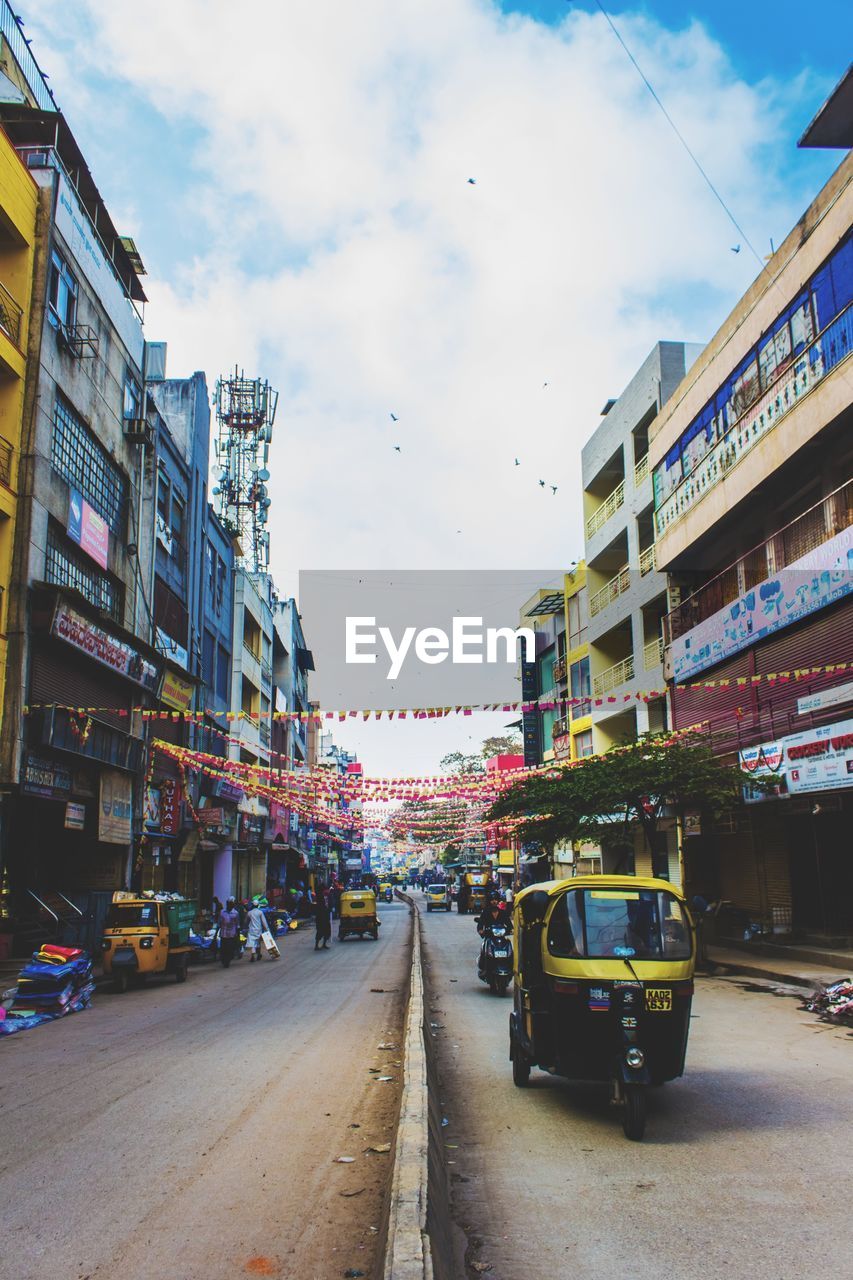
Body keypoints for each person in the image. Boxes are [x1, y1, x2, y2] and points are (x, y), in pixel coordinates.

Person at [218, 898, 240, 968]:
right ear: (227, 904)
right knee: (223, 948)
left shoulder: (236, 913)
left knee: (230, 948)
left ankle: (228, 960)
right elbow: (219, 923)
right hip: (223, 933)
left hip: (232, 934)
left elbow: (237, 925)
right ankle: (224, 960)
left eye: (232, 904)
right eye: (229, 904)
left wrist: (238, 935)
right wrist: (216, 933)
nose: (231, 905)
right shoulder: (222, 912)